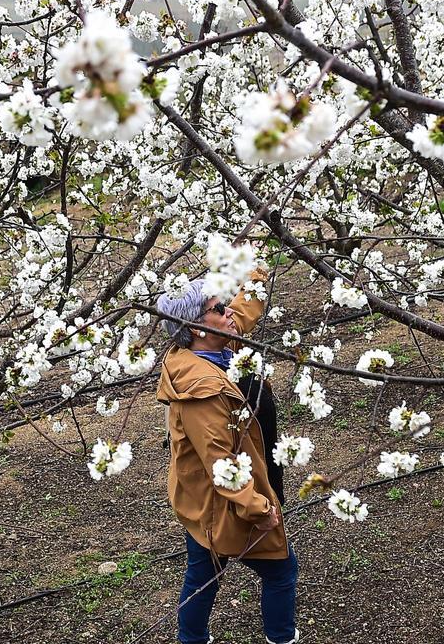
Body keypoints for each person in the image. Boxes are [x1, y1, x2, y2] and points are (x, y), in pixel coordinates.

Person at [155, 265, 299, 644]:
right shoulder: (202, 388)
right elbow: (221, 463)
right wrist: (258, 509)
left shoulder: (213, 350)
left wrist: (256, 271)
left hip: (205, 500)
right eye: (219, 309)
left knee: (204, 574)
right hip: (226, 502)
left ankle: (191, 639)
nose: (229, 313)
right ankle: (282, 638)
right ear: (199, 328)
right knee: (281, 571)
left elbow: (243, 309)